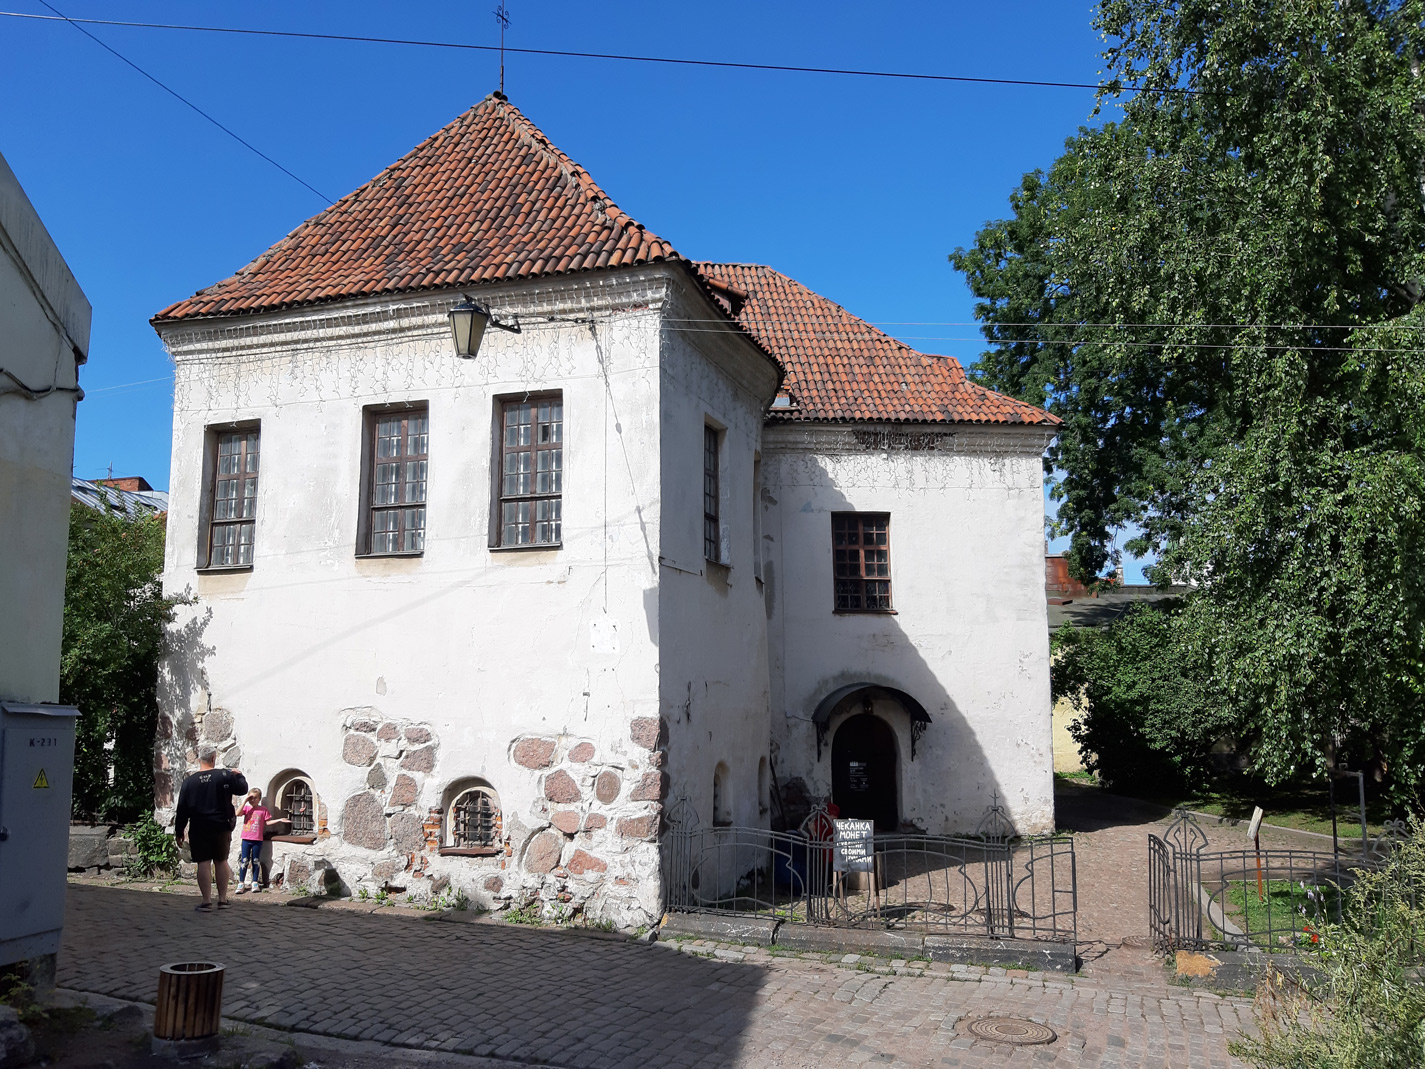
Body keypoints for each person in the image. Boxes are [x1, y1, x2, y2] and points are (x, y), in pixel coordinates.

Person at [174, 746, 248, 912]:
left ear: (199, 759)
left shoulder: (189, 782)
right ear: (214, 758)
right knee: (221, 861)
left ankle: (206, 901)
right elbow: (243, 789)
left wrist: (179, 832)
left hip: (199, 826)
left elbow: (182, 809)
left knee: (203, 862)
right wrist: (239, 775)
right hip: (221, 825)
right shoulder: (224, 776)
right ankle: (222, 899)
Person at [236, 788, 271, 894]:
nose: (253, 800)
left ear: (259, 799)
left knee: (255, 861)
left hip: (257, 839)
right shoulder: (247, 808)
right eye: (251, 797)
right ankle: (241, 882)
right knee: (244, 860)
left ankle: (254, 882)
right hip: (246, 838)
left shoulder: (263, 810)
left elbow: (267, 822)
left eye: (255, 798)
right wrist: (245, 801)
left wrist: (279, 820)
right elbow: (237, 813)